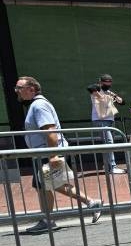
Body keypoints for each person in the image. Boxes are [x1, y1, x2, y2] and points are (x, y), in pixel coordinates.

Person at [16, 76, 102, 233]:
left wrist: (53, 155)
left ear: (31, 89)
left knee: (47, 184)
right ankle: (89, 204)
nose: (17, 91)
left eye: (19, 88)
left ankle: (48, 220)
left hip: (48, 153)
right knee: (47, 185)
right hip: (44, 153)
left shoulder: (39, 105)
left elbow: (50, 130)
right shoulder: (36, 105)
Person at [92, 73, 125, 174]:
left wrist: (116, 97)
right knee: (109, 143)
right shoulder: (96, 91)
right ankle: (112, 167)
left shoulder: (108, 92)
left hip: (109, 120)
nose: (108, 84)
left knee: (107, 144)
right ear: (101, 82)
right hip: (101, 120)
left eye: (110, 82)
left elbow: (122, 102)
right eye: (106, 82)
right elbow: (90, 87)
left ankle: (107, 165)